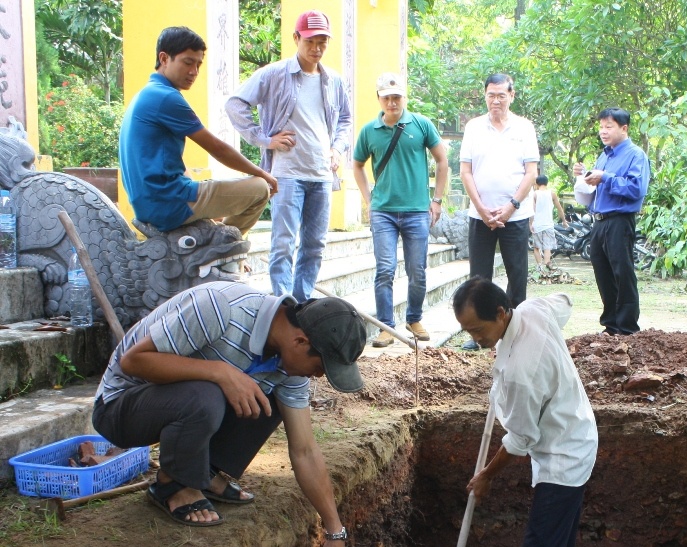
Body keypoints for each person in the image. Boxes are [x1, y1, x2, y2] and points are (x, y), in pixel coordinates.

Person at [92, 281, 367, 547]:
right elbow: (133, 361)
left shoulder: (289, 366)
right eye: (320, 367)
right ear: (301, 340)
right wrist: (220, 372)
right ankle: (173, 484)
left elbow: (304, 450)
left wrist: (335, 532)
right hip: (121, 406)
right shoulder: (220, 308)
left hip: (185, 401)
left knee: (270, 398)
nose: (318, 377)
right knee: (207, 394)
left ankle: (205, 471)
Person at [452, 277, 598, 547]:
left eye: (479, 330)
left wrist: (486, 476)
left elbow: (520, 439)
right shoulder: (533, 309)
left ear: (501, 313)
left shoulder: (521, 373)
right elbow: (565, 300)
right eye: (468, 333)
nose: (477, 340)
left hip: (562, 457)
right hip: (575, 436)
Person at [227, 10, 352, 302]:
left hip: (321, 173)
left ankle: (303, 302)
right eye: (310, 41)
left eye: (323, 42)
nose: (317, 48)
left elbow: (345, 119)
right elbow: (235, 105)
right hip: (286, 173)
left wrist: (337, 148)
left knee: (315, 244)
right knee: (283, 242)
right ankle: (283, 305)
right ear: (296, 38)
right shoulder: (274, 74)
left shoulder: (333, 81)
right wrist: (265, 139)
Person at [119, 27, 276, 235]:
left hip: (151, 203)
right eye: (187, 62)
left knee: (216, 206)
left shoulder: (148, 94)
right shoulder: (166, 97)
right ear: (164, 59)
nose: (194, 71)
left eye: (198, 64)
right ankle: (225, 247)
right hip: (168, 203)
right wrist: (264, 174)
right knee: (260, 189)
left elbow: (175, 163)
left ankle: (215, 239)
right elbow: (218, 149)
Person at [352, 72, 449, 348]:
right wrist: (368, 199)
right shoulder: (369, 131)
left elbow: (442, 160)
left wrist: (437, 199)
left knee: (417, 269)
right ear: (379, 99)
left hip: (417, 210)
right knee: (384, 269)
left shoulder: (421, 125)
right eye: (387, 98)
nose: (392, 103)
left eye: (397, 97)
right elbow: (357, 164)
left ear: (404, 98)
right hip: (383, 211)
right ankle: (386, 326)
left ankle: (414, 318)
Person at [459, 74, 539, 349]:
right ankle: (477, 334)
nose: (496, 100)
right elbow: (465, 171)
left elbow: (531, 173)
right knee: (479, 278)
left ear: (512, 96)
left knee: (517, 274)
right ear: (485, 96)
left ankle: (514, 332)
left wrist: (511, 206)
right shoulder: (473, 127)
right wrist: (481, 208)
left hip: (514, 216)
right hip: (480, 216)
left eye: (501, 95)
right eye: (491, 95)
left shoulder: (524, 128)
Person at [574, 107, 651, 335]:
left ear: (624, 128)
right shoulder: (605, 155)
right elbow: (601, 186)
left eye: (609, 126)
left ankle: (627, 328)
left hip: (619, 220)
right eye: (601, 127)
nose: (603, 131)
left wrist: (605, 177)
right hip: (599, 221)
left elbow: (637, 188)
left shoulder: (636, 155)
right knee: (603, 273)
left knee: (622, 273)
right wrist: (586, 174)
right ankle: (610, 325)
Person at [530, 175, 567, 273]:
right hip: (548, 225)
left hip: (537, 224)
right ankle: (547, 265)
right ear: (547, 183)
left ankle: (539, 266)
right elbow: (560, 209)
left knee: (537, 247)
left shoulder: (534, 194)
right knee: (547, 247)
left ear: (536, 184)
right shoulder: (552, 194)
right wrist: (564, 221)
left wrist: (530, 224)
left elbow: (532, 211)